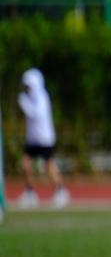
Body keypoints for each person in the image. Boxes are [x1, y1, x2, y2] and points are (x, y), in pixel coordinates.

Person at [16, 68, 70, 209]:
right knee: (25, 164)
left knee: (49, 165)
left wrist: (25, 105)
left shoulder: (42, 97)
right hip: (33, 139)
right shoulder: (30, 97)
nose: (27, 88)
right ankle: (30, 193)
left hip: (44, 138)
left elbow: (37, 115)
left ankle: (60, 191)